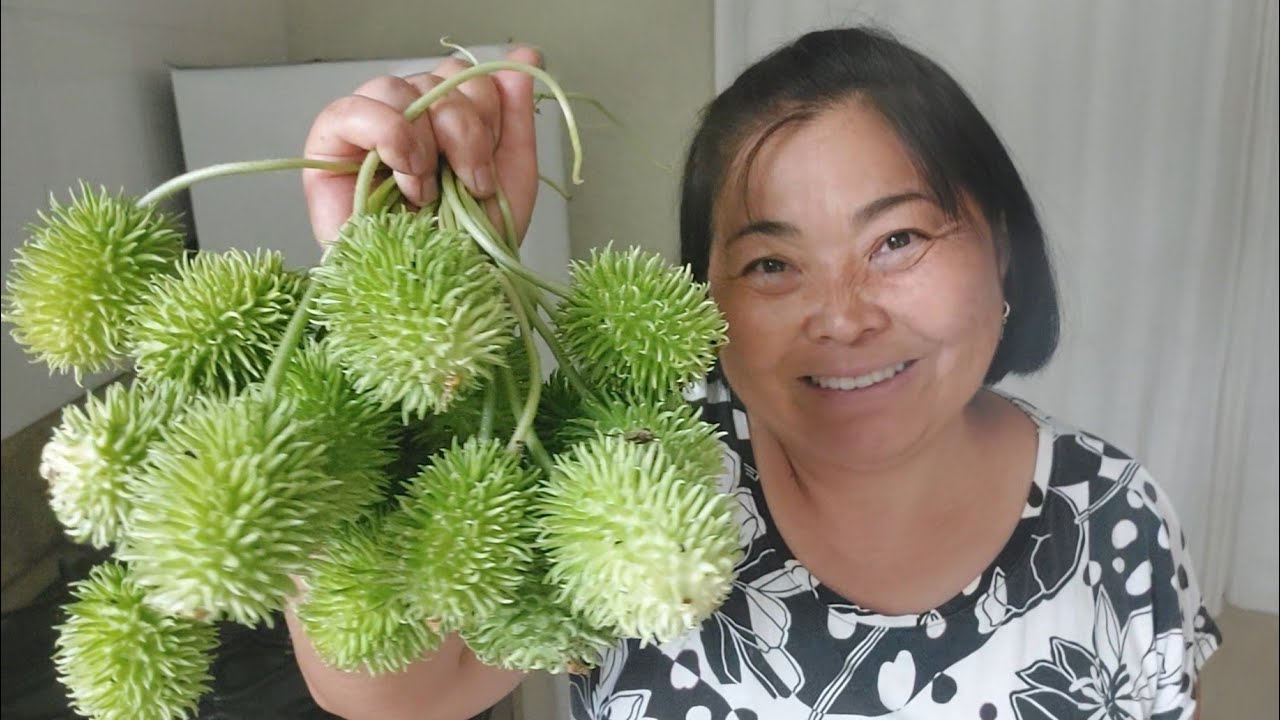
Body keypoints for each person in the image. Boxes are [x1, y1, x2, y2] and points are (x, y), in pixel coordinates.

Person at [288, 28, 1221, 720]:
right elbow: (384, 690)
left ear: (1001, 251)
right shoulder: (633, 472)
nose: (843, 316)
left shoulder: (1116, 517)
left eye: (897, 239)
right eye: (772, 264)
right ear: (709, 306)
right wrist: (395, 292)